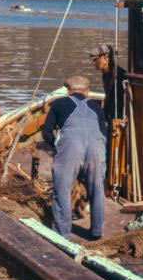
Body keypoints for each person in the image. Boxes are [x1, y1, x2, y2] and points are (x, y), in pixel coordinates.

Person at [41, 75, 107, 239]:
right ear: (88, 91)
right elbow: (104, 133)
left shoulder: (58, 104)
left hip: (71, 148)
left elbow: (46, 132)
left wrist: (57, 147)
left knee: (62, 189)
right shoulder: (96, 106)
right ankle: (96, 232)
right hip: (96, 148)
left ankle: (62, 234)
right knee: (97, 189)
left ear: (68, 91)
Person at [89, 44, 127, 124]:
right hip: (110, 115)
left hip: (119, 117)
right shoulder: (106, 73)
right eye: (92, 60)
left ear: (106, 57)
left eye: (95, 59)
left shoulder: (119, 74)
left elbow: (120, 100)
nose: (93, 63)